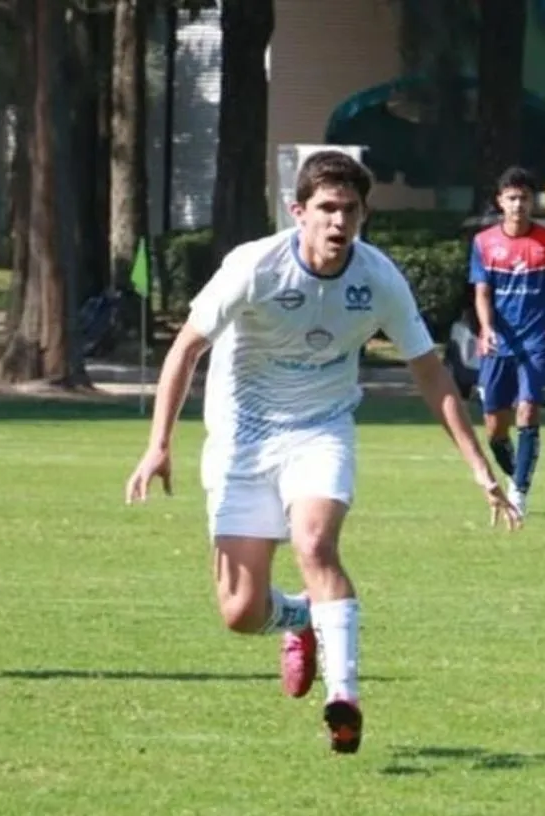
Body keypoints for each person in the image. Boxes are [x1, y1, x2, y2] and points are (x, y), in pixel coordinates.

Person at [125, 151, 518, 756]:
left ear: (364, 214)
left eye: (351, 210)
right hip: (241, 437)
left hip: (321, 430)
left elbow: (431, 374)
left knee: (315, 543)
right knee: (240, 612)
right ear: (298, 212)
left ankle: (345, 696)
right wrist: (158, 445)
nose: (339, 222)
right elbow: (185, 349)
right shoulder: (255, 266)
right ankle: (301, 618)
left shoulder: (378, 278)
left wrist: (477, 465)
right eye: (327, 209)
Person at [468, 166, 545, 519]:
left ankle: (518, 491)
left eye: (525, 198)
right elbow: (482, 292)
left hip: (536, 339)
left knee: (528, 412)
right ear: (500, 201)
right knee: (494, 428)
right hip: (499, 342)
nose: (518, 205)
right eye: (512, 198)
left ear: (534, 202)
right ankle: (516, 471)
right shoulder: (484, 243)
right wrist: (486, 329)